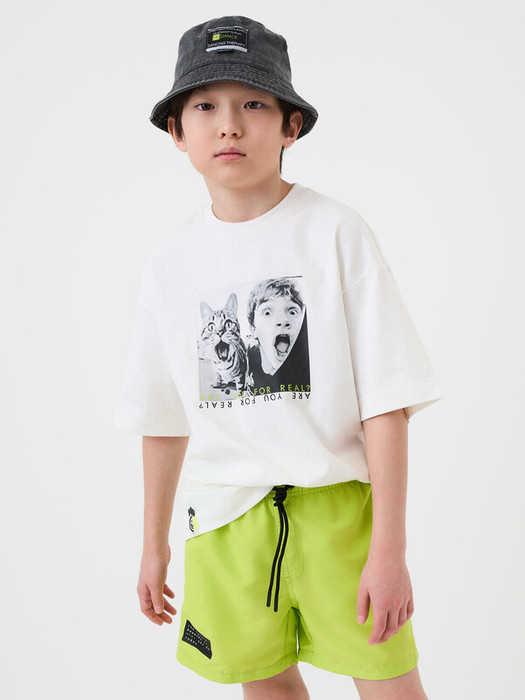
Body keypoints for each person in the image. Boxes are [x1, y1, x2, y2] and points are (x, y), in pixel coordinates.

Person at [114, 15, 443, 700]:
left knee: (389, 684)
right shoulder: (170, 264)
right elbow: (163, 418)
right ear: (176, 132)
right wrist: (153, 544)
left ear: (291, 125)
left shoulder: (334, 233)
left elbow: (386, 402)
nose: (229, 126)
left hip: (337, 517)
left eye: (253, 104)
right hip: (225, 523)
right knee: (266, 688)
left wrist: (390, 549)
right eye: (205, 107)